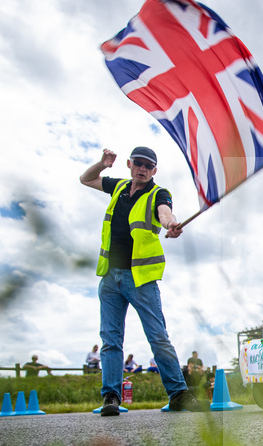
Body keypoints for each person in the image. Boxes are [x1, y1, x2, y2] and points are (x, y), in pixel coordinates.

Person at [80, 146, 201, 416]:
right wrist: (101, 164)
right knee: (110, 340)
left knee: (158, 337)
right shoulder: (119, 187)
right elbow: (86, 179)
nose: (143, 169)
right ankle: (111, 397)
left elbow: (165, 212)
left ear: (154, 170)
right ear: (129, 164)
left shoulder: (159, 193)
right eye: (138, 164)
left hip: (140, 279)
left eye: (148, 166)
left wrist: (171, 223)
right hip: (110, 278)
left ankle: (179, 394)